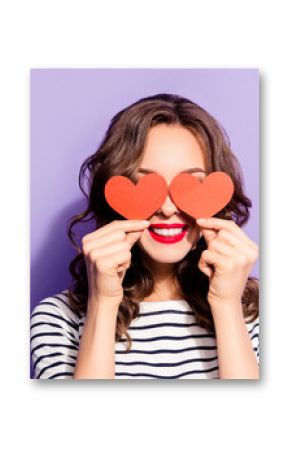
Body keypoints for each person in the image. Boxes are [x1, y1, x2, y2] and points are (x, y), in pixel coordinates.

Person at [30, 93, 259, 380]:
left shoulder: (259, 315)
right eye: (144, 183)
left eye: (190, 185)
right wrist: (103, 303)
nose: (167, 208)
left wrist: (227, 306)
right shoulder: (57, 319)